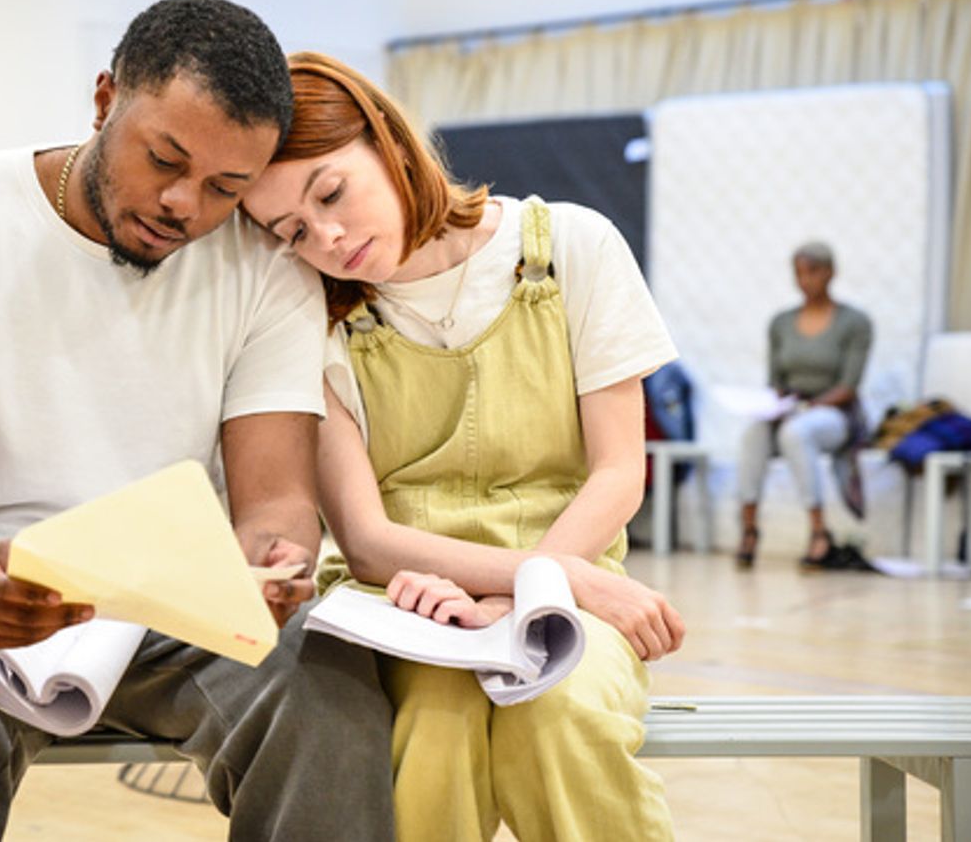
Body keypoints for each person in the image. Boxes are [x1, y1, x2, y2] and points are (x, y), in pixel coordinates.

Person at [0, 0, 395, 842]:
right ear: (103, 100)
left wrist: (272, 563)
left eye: (226, 188)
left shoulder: (269, 268)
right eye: (164, 159)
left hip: (183, 606)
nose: (184, 204)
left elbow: (276, 501)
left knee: (329, 692)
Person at [239, 51, 684, 842]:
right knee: (432, 734)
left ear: (387, 138)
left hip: (570, 586)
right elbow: (367, 539)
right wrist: (528, 590)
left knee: (561, 717)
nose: (328, 238)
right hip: (401, 601)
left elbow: (619, 470)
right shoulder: (311, 320)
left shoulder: (576, 245)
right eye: (293, 231)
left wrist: (527, 593)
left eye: (331, 192)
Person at [735, 241, 874, 569]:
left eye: (813, 271)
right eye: (799, 273)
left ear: (830, 273)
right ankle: (749, 529)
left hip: (835, 415)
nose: (805, 280)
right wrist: (774, 405)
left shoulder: (854, 323)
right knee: (753, 434)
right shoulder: (781, 323)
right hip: (790, 410)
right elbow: (775, 381)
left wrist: (806, 408)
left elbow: (848, 387)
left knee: (796, 433)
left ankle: (818, 532)